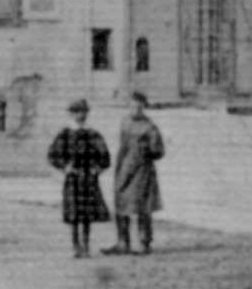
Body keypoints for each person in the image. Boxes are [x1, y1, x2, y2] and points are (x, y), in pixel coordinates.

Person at [47, 98, 112, 259]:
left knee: (87, 214)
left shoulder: (93, 134)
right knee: (74, 214)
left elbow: (105, 158)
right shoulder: (65, 134)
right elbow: (52, 155)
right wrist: (64, 166)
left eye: (83, 112)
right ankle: (76, 245)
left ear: (87, 113)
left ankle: (86, 245)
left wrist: (97, 169)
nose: (80, 115)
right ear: (70, 114)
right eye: (76, 112)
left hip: (88, 178)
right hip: (73, 179)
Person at [110, 94, 165, 255]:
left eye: (139, 107)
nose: (135, 110)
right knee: (121, 201)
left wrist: (145, 153)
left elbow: (159, 151)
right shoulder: (125, 122)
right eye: (132, 106)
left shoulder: (149, 128)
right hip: (124, 167)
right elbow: (123, 145)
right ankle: (122, 242)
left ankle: (144, 242)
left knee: (143, 206)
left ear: (144, 107)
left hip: (142, 171)